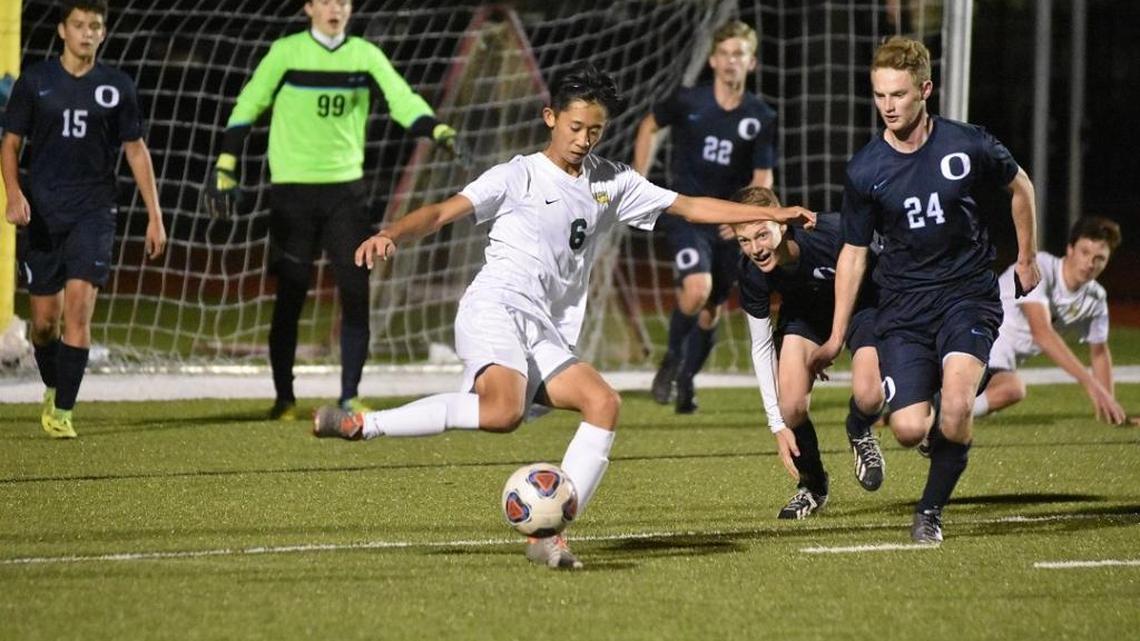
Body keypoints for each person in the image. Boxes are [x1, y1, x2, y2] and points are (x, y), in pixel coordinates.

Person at [311, 63, 814, 569]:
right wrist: (391, 234)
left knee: (604, 403)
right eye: (575, 127)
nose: (583, 140)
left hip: (543, 328)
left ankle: (550, 535)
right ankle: (363, 424)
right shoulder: (519, 175)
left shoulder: (612, 180)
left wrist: (769, 213)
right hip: (495, 306)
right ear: (550, 117)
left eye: (595, 130)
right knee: (503, 413)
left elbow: (690, 207)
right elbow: (442, 212)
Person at [809, 36, 1041, 544]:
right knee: (910, 428)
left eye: (898, 94)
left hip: (966, 295)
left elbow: (1020, 185)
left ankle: (929, 512)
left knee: (955, 409)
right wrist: (836, 336)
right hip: (904, 306)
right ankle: (892, 416)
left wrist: (1026, 257)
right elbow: (853, 253)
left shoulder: (967, 143)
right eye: (879, 95)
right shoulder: (866, 169)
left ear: (925, 90)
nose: (888, 106)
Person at [204, 0, 463, 420]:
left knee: (356, 291)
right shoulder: (286, 52)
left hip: (345, 193)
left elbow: (402, 100)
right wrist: (226, 164)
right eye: (325, 1)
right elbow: (247, 105)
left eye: (341, 1)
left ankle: (349, 396)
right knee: (291, 294)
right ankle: (284, 399)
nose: (334, 9)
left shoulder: (364, 55)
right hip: (292, 193)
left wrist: (437, 129)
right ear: (308, 7)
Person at [1, 0, 166, 439]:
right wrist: (13, 193)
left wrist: (155, 215)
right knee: (43, 325)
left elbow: (136, 151)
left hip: (94, 211)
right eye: (79, 25)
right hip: (42, 212)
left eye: (95, 26)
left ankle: (63, 411)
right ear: (62, 30)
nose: (87, 33)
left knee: (78, 308)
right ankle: (54, 385)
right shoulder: (36, 81)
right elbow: (10, 143)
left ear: (103, 33)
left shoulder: (118, 86)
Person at [632, 20, 777, 414]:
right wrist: (639, 182)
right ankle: (670, 361)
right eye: (725, 54)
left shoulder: (761, 116)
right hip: (687, 214)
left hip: (728, 225)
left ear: (751, 63)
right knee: (696, 290)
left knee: (711, 312)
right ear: (713, 60)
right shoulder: (688, 101)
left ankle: (686, 380)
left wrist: (745, 219)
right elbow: (649, 125)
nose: (731, 61)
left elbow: (762, 176)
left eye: (739, 54)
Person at [732, 186, 884, 520]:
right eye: (744, 240)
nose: (755, 249)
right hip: (807, 314)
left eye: (761, 235)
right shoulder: (751, 272)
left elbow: (887, 267)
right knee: (790, 407)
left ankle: (859, 428)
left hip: (862, 307)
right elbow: (761, 346)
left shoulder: (830, 232)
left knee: (870, 395)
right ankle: (813, 486)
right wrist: (777, 425)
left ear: (782, 224)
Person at [977, 217, 1128, 424]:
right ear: (1070, 249)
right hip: (975, 338)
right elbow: (1042, 333)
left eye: (1099, 258)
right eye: (1085, 252)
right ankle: (947, 414)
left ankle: (945, 413)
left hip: (998, 360)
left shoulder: (1095, 298)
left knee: (1004, 391)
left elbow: (1099, 352)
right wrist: (1092, 385)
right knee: (1011, 389)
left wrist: (1108, 403)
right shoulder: (1039, 267)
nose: (1090, 263)